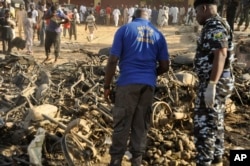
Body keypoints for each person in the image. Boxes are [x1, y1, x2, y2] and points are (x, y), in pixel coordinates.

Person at [104, 8, 170, 166]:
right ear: (148, 18)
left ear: (133, 18)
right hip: (148, 85)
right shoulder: (158, 34)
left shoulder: (125, 30)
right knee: (141, 124)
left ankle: (115, 161)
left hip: (127, 83)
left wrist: (107, 85)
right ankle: (137, 161)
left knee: (122, 123)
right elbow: (165, 65)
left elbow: (113, 60)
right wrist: (151, 75)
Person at [193, 0, 235, 166]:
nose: (196, 16)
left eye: (196, 12)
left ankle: (205, 161)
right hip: (220, 81)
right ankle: (217, 158)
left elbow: (221, 53)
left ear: (204, 8)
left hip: (214, 83)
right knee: (216, 121)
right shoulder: (220, 23)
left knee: (204, 126)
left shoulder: (214, 25)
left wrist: (211, 84)